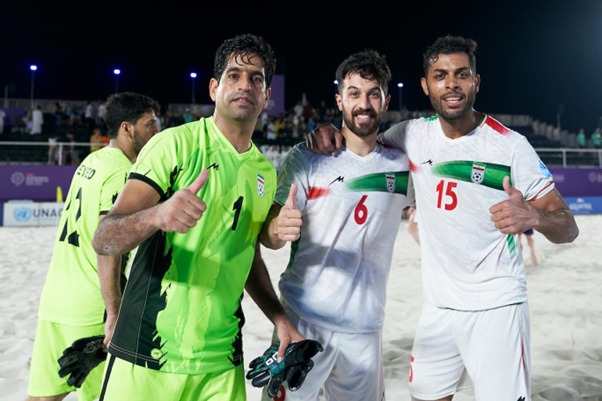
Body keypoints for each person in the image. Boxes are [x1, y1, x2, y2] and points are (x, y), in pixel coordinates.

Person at [307, 35, 579, 401]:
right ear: (426, 85)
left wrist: (535, 216)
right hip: (438, 308)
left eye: (461, 74)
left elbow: (568, 226)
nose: (451, 84)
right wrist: (325, 131)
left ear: (476, 82)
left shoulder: (510, 145)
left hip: (496, 307)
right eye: (440, 75)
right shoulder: (410, 135)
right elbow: (361, 142)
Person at [92, 33, 303, 401]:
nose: (245, 85)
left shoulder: (264, 172)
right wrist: (157, 215)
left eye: (256, 79)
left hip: (220, 363)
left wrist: (279, 317)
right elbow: (105, 237)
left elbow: (246, 254)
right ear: (213, 88)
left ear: (267, 96)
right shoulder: (175, 144)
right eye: (234, 75)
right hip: (147, 352)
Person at [258, 50, 413, 401]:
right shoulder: (307, 156)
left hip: (365, 328)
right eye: (354, 93)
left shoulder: (401, 165)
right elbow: (270, 237)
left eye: (373, 93)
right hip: (303, 321)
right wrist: (276, 228)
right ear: (339, 99)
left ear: (386, 101)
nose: (364, 103)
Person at [26, 91, 161, 401]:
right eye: (150, 124)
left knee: (44, 396)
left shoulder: (91, 160)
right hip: (92, 308)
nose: (156, 132)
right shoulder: (122, 173)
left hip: (55, 301)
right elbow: (108, 243)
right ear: (128, 128)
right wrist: (113, 312)